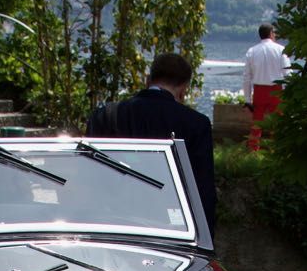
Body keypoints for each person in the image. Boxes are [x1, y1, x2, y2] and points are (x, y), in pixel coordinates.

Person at [86, 53, 216, 233]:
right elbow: (202, 190)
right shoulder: (196, 124)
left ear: (148, 80)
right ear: (184, 89)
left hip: (109, 221)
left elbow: (90, 177)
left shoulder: (104, 116)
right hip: (168, 228)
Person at [242, 23, 289, 150]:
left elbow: (246, 77)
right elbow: (287, 73)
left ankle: (253, 149)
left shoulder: (252, 51)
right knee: (277, 123)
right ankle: (278, 149)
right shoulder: (281, 50)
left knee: (257, 123)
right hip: (276, 90)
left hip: (259, 90)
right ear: (271, 33)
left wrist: (247, 100)